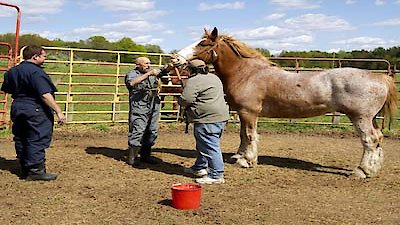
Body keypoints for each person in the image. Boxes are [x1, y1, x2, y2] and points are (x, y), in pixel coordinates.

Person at [1, 45, 66, 181]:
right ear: (35, 57)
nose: (45, 59)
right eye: (43, 56)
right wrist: (58, 111)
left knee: (21, 136)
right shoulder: (36, 72)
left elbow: (6, 88)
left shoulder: (13, 71)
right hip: (35, 108)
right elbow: (44, 94)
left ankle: (25, 166)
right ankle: (36, 171)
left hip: (18, 106)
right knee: (36, 137)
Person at [178, 59, 230, 184]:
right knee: (205, 144)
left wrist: (180, 99)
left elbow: (186, 99)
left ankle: (216, 175)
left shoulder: (194, 80)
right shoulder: (214, 78)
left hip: (206, 118)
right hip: (220, 116)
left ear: (191, 70)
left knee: (210, 146)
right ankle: (199, 167)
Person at [125, 56, 163, 166]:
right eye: (146, 63)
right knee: (138, 130)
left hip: (153, 104)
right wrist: (148, 75)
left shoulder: (152, 72)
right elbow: (131, 83)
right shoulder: (132, 74)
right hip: (140, 105)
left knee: (152, 130)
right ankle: (133, 157)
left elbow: (163, 70)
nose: (148, 65)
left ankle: (146, 156)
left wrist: (171, 65)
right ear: (138, 65)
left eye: (149, 63)